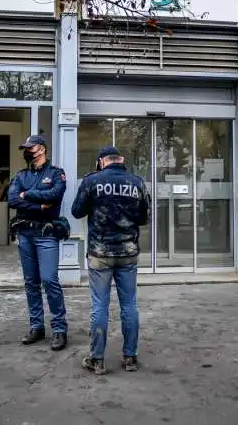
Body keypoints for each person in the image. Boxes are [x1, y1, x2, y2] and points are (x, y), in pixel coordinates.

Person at [71, 146, 150, 375]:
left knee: (99, 306)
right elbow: (144, 218)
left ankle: (97, 360)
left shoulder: (92, 181)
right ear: (121, 160)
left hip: (100, 254)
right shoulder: (137, 182)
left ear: (101, 162)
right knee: (129, 305)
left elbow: (77, 211)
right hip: (128, 253)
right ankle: (130, 358)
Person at [7, 135, 69, 351]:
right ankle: (36, 326)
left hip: (47, 233)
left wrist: (28, 195)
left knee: (49, 280)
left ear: (41, 149)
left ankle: (59, 329)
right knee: (30, 282)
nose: (26, 151)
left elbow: (54, 198)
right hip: (25, 233)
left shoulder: (55, 173)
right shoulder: (21, 175)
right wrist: (38, 205)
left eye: (30, 148)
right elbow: (13, 200)